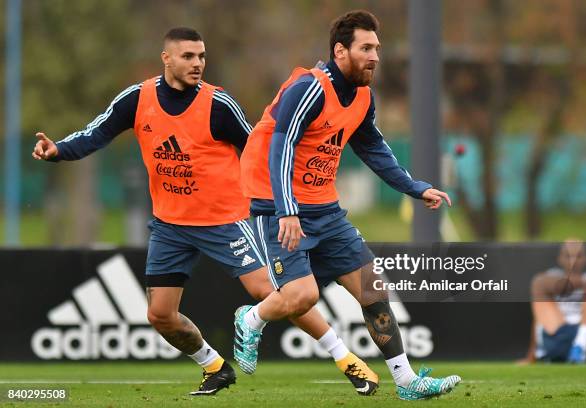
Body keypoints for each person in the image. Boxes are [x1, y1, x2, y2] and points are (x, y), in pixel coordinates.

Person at [32, 27, 378, 396]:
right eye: (188, 57)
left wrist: (282, 204)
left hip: (229, 221)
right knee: (159, 315)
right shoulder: (138, 99)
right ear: (166, 58)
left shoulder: (218, 105)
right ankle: (214, 366)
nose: (197, 64)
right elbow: (96, 132)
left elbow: (259, 150)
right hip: (170, 225)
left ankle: (347, 360)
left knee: (274, 292)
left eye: (201, 57)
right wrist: (60, 150)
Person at [237, 10, 461, 401]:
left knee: (374, 290)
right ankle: (251, 319)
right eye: (366, 48)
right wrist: (286, 209)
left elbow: (373, 148)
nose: (375, 55)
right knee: (302, 297)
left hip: (325, 208)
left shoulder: (361, 97)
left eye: (377, 47)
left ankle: (407, 381)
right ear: (341, 51)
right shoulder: (308, 89)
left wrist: (413, 187)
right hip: (276, 205)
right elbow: (282, 146)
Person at [521, 239, 586, 363]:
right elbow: (539, 318)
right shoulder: (551, 276)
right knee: (539, 283)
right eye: (568, 256)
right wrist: (532, 356)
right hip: (560, 334)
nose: (573, 261)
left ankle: (580, 344)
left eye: (578, 256)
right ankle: (577, 349)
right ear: (560, 259)